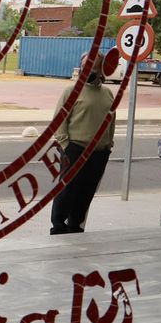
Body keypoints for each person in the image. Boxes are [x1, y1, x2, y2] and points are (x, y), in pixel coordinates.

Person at [49, 68, 114, 235]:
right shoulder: (71, 91)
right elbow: (59, 120)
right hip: (75, 148)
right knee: (67, 189)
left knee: (87, 190)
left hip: (99, 152)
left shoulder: (107, 93)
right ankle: (58, 226)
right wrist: (66, 145)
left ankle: (75, 225)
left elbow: (111, 120)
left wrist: (108, 144)